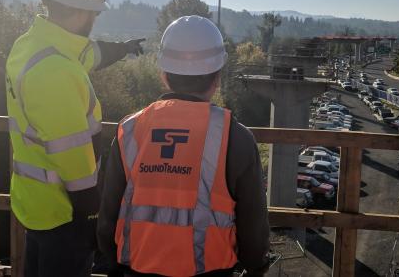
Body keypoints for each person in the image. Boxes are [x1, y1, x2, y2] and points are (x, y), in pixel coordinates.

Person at [98, 16, 270, 276]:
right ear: (218, 78)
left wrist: (112, 264)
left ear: (164, 75)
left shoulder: (130, 130)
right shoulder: (235, 138)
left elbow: (108, 216)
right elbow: (253, 227)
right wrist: (256, 266)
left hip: (134, 269)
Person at [5, 0, 144, 277]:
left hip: (34, 202)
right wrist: (92, 218)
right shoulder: (57, 72)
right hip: (64, 213)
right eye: (95, 13)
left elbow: (87, 54)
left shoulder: (30, 45)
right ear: (87, 12)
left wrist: (121, 50)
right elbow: (73, 158)